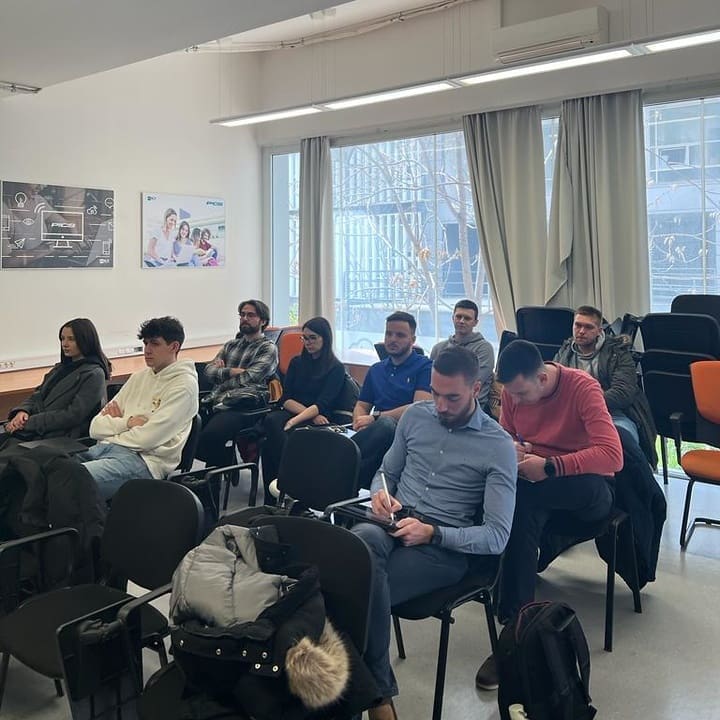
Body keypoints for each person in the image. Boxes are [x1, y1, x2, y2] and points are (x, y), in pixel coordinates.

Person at [352, 346, 517, 719]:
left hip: (441, 547)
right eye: (435, 393)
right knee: (358, 548)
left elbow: (497, 537)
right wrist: (380, 494)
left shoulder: (497, 445)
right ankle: (378, 697)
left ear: (476, 388)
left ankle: (372, 701)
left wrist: (434, 533)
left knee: (353, 592)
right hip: (392, 522)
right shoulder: (416, 417)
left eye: (452, 397)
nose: (440, 405)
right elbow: (386, 472)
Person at [475, 340, 622, 691]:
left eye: (521, 394)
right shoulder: (513, 391)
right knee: (517, 502)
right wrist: (513, 448)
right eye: (511, 395)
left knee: (522, 500)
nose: (515, 400)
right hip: (538, 486)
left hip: (589, 490)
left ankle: (513, 628)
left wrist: (551, 466)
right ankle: (518, 628)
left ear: (542, 378)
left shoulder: (582, 388)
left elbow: (612, 456)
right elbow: (507, 434)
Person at [79, 316, 198, 501]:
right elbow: (95, 427)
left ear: (174, 347)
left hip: (144, 462)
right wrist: (128, 423)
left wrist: (113, 428)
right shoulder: (138, 377)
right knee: (51, 472)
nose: (147, 350)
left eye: (155, 344)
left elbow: (147, 440)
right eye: (145, 343)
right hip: (105, 448)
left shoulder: (184, 386)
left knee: (71, 482)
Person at [554, 304, 657, 467]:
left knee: (622, 440)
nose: (581, 331)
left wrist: (583, 401)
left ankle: (642, 482)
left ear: (599, 331)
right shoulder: (565, 352)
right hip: (574, 415)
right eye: (578, 325)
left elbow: (623, 393)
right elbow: (555, 387)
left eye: (588, 327)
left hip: (614, 414)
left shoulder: (618, 352)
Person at [260, 316, 347, 504]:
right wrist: (300, 416)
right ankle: (278, 492)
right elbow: (285, 398)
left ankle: (286, 487)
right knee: (271, 422)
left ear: (325, 338)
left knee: (270, 445)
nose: (308, 342)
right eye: (305, 338)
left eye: (313, 338)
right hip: (300, 412)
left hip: (319, 419)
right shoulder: (297, 363)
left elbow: (323, 404)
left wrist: (295, 420)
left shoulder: (336, 368)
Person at [352, 311, 432, 489]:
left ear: (413, 339)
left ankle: (343, 467)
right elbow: (361, 405)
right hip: (377, 434)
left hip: (407, 433)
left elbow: (419, 407)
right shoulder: (376, 369)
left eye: (400, 335)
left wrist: (375, 417)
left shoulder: (425, 367)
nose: (392, 339)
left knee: (386, 425)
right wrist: (359, 421)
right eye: (388, 334)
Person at [1, 318, 111, 446]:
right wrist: (22, 412)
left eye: (71, 339)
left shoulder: (94, 374)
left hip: (57, 437)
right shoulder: (60, 368)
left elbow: (72, 416)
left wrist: (29, 422)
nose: (65, 344)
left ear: (85, 341)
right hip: (34, 429)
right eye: (62, 339)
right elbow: (38, 395)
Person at [196, 300, 278, 468]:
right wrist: (232, 371)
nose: (245, 318)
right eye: (242, 315)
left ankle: (214, 476)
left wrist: (221, 375)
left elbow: (249, 378)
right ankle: (224, 462)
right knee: (188, 431)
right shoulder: (230, 345)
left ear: (263, 321)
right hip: (218, 401)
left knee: (211, 436)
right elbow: (208, 372)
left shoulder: (268, 348)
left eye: (251, 315)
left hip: (245, 405)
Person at [430, 299, 494, 409]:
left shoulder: (484, 349)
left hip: (472, 409)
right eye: (458, 317)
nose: (462, 321)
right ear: (453, 318)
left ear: (475, 322)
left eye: (467, 318)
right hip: (437, 406)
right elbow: (430, 380)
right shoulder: (438, 348)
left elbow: (472, 382)